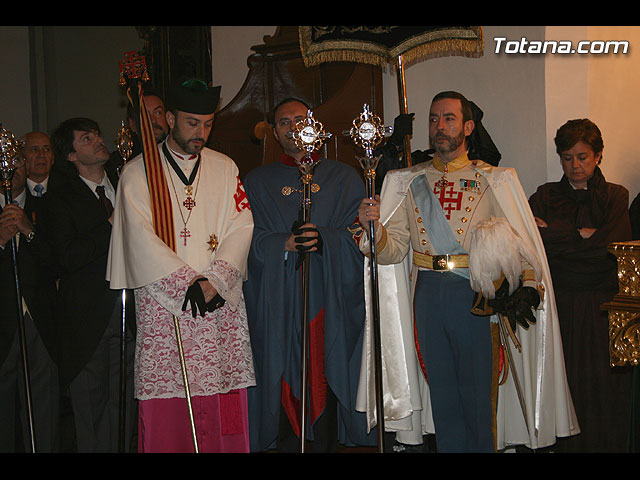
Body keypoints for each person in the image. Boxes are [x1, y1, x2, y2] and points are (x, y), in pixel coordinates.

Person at [356, 91, 578, 452]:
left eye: (449, 118)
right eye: (433, 119)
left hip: (474, 296)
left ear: (468, 127)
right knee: (443, 396)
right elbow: (393, 250)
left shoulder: (495, 180)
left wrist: (527, 285)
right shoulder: (408, 182)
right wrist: (374, 228)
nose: (439, 127)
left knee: (478, 398)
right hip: (427, 297)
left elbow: (520, 241)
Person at [107, 79, 255, 453]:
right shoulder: (138, 174)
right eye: (192, 123)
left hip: (218, 304)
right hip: (165, 304)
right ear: (170, 119)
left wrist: (216, 280)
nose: (201, 132)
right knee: (169, 414)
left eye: (208, 123)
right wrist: (185, 283)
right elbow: (137, 238)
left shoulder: (225, 168)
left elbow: (242, 225)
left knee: (223, 405)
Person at [243, 98, 375, 452]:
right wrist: (282, 244)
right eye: (283, 122)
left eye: (299, 120)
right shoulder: (256, 182)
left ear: (314, 125)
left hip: (330, 298)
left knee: (328, 368)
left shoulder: (344, 177)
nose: (292, 128)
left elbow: (360, 237)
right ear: (274, 132)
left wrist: (326, 240)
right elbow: (241, 240)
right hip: (280, 299)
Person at [529, 118, 632, 452]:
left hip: (602, 306)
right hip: (558, 304)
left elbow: (610, 249)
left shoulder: (616, 195)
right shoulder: (544, 196)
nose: (574, 165)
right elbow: (531, 242)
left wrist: (556, 236)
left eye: (582, 157)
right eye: (567, 157)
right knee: (562, 383)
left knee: (602, 389)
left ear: (598, 156)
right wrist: (577, 235)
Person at [42, 117, 135, 452]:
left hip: (128, 309)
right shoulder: (59, 198)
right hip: (86, 319)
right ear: (70, 155)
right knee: (91, 409)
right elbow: (67, 256)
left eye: (97, 133)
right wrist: (110, 222)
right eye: (86, 138)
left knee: (124, 405)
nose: (97, 140)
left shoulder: (125, 183)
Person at [0, 155, 59, 452]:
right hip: (3, 324)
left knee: (43, 413)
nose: (9, 170)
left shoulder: (47, 207)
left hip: (40, 324)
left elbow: (59, 264)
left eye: (15, 163)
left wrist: (29, 230)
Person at [108, 87, 169, 171]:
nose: (153, 120)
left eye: (158, 113)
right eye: (144, 115)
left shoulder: (183, 153)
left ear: (169, 119)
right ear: (132, 124)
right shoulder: (118, 163)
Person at [21, 131, 54, 197]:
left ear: (53, 157)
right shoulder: (15, 189)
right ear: (22, 156)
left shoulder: (67, 188)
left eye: (46, 149)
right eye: (34, 149)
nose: (41, 155)